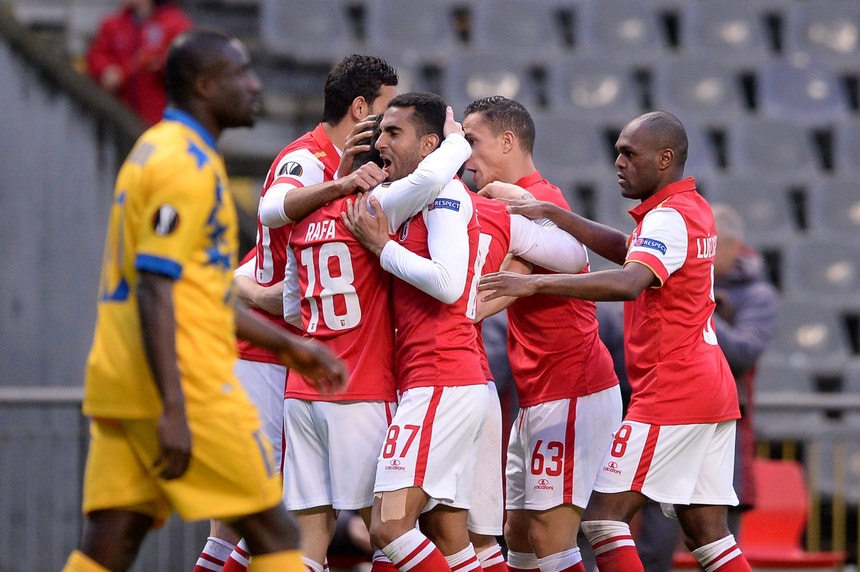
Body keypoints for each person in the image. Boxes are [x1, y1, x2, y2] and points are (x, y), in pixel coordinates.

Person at [62, 29, 347, 572]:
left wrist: (286, 346)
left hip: (125, 380)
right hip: (184, 384)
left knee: (112, 540)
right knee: (277, 535)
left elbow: (199, 293)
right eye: (240, 73)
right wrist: (174, 408)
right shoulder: (184, 165)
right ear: (204, 86)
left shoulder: (156, 149)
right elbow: (156, 287)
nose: (254, 85)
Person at [478, 110, 753, 572]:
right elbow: (631, 251)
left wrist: (534, 284)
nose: (619, 163)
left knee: (604, 520)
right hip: (710, 387)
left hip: (674, 390)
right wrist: (558, 215)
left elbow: (629, 282)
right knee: (706, 533)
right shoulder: (691, 208)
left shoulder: (667, 218)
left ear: (664, 158)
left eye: (629, 154)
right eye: (617, 153)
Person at [194, 53, 398, 572]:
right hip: (270, 355)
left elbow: (263, 259)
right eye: (388, 109)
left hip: (290, 353)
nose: (394, 123)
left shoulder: (348, 168)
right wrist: (267, 297)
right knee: (272, 517)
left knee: (273, 520)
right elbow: (270, 211)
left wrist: (251, 288)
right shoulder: (307, 160)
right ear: (361, 109)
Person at [280, 106, 472, 572]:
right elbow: (429, 181)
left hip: (300, 395)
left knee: (308, 541)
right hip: (358, 390)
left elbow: (290, 309)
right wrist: (457, 142)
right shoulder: (370, 209)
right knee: (389, 529)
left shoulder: (301, 222)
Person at [464, 96, 621, 572]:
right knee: (517, 532)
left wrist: (446, 314)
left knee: (551, 535)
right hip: (537, 393)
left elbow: (499, 290)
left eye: (472, 141)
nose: (466, 158)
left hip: (572, 388)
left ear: (507, 142)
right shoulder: (516, 202)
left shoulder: (539, 203)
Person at [343, 92, 490, 572]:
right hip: (432, 380)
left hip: (441, 378)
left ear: (429, 145)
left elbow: (447, 284)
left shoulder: (445, 196)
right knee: (448, 537)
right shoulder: (409, 198)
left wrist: (384, 248)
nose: (380, 142)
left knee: (388, 527)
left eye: (393, 132)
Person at [633, 203, 780, 572]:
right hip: (670, 417)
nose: (702, 250)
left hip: (724, 429)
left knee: (715, 541)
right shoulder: (669, 277)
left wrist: (697, 302)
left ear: (730, 245)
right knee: (654, 546)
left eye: (709, 243)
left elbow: (744, 352)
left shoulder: (757, 295)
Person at [86, 0, 192, 125]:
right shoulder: (113, 23)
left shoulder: (175, 23)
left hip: (160, 119)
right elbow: (96, 55)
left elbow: (187, 62)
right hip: (121, 116)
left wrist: (162, 64)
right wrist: (105, 70)